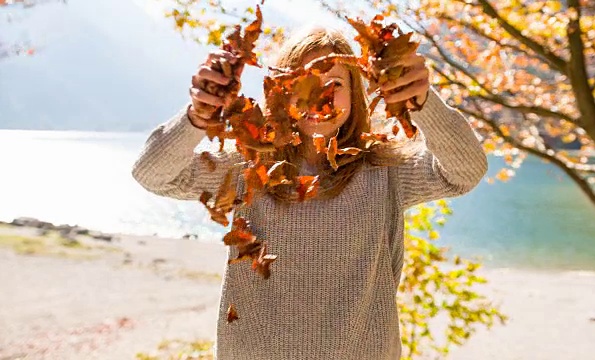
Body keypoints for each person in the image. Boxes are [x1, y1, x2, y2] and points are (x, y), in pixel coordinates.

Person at [132, 26, 488, 360]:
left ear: (356, 95)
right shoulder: (245, 167)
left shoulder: (386, 170)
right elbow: (153, 175)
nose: (320, 97)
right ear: (279, 90)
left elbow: (465, 172)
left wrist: (422, 102)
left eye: (335, 83)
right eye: (304, 82)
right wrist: (198, 116)